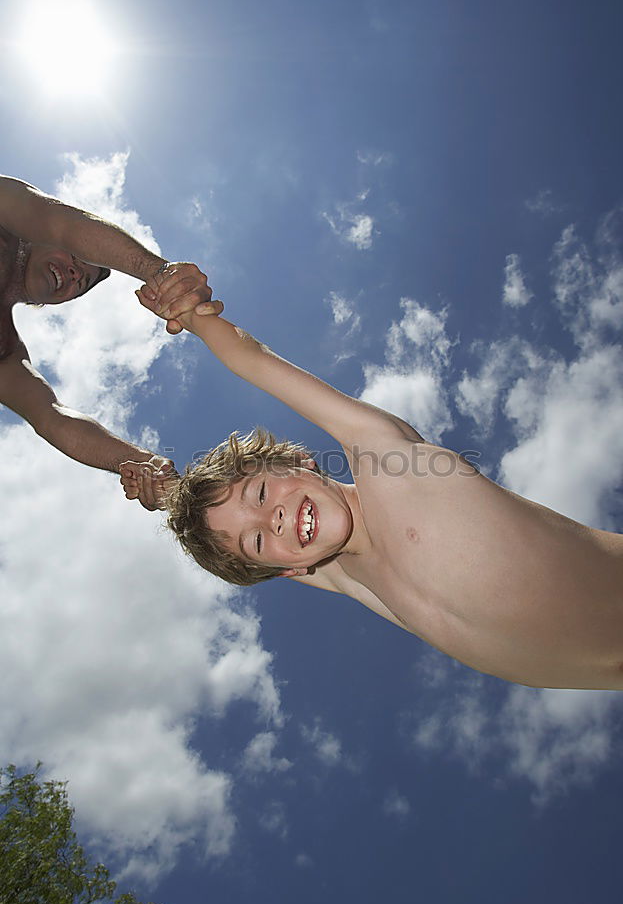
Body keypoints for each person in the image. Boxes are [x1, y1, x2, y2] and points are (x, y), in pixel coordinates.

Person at [126, 278, 623, 691]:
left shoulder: (387, 464)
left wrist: (194, 318)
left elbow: (254, 361)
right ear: (289, 573)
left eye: (259, 494)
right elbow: (225, 532)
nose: (270, 519)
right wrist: (166, 495)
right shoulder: (349, 576)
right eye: (258, 540)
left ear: (300, 461)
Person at [0, 175, 220, 509]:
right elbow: (59, 222)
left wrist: (145, 463)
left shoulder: (5, 350)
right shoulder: (9, 205)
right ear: (41, 238)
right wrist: (161, 274)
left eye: (83, 281)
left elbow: (52, 417)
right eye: (75, 257)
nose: (75, 274)